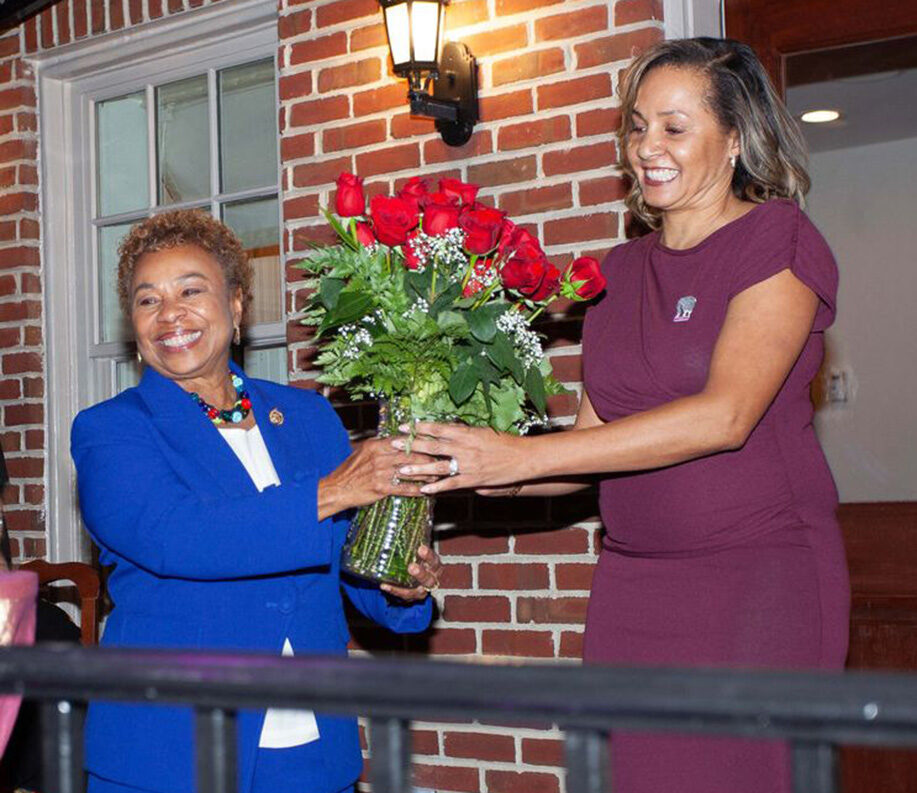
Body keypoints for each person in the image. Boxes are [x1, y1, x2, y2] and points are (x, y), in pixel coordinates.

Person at [395, 37, 850, 793]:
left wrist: (518, 456)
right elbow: (588, 447)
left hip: (758, 581)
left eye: (674, 127)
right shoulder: (617, 271)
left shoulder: (777, 239)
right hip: (633, 588)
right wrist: (465, 463)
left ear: (734, 138)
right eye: (637, 126)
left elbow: (724, 415)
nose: (646, 148)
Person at [70, 210, 443, 793]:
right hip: (169, 750)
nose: (170, 314)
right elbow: (180, 537)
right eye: (148, 301)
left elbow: (338, 559)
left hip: (313, 747)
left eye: (191, 290)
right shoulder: (111, 431)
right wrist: (336, 489)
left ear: (238, 305)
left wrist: (399, 586)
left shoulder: (309, 416)